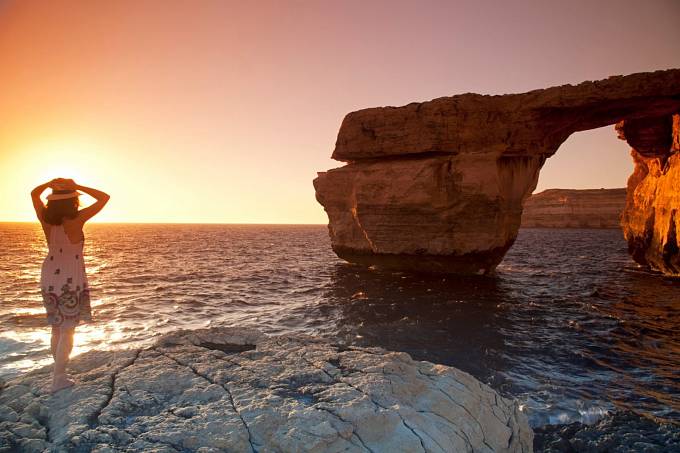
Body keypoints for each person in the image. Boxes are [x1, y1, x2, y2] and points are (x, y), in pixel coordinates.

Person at [30, 178, 110, 393]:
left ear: (52, 202)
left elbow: (34, 194)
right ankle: (59, 378)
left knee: (57, 327)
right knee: (68, 330)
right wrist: (77, 187)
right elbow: (104, 197)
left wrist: (49, 184)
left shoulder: (45, 220)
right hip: (70, 278)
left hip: (49, 275)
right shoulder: (78, 219)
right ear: (73, 202)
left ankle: (58, 374)